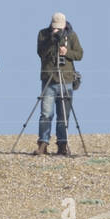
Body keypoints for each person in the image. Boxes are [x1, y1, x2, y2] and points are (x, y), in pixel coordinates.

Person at [35, 12, 82, 156]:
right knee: (46, 114)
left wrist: (66, 52)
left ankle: (62, 144)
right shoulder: (43, 34)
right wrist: (51, 40)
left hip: (66, 79)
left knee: (64, 115)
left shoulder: (71, 35)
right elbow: (41, 53)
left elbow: (79, 54)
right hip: (49, 78)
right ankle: (43, 143)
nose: (57, 30)